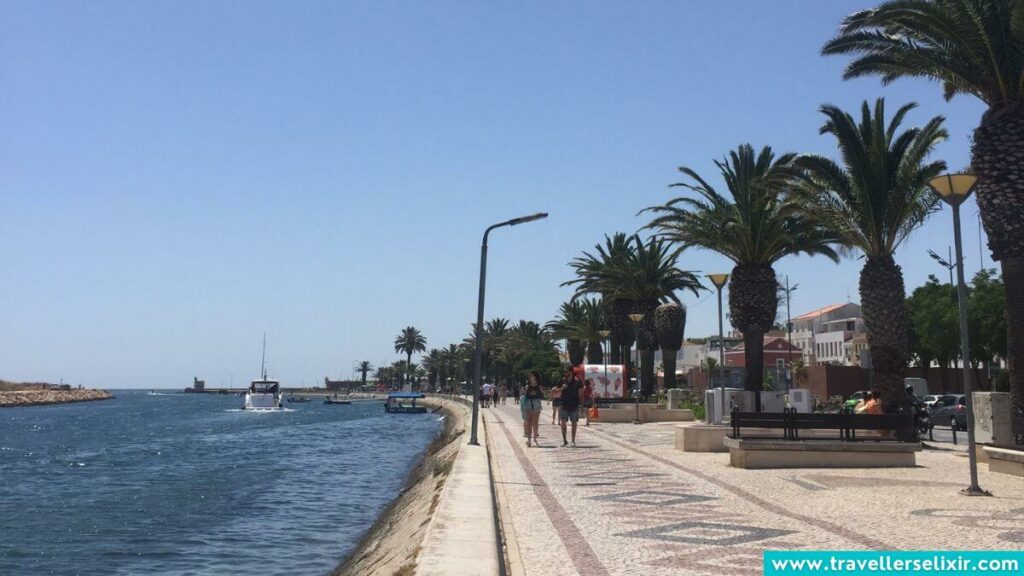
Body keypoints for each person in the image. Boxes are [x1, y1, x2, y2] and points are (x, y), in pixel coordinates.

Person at [521, 371, 544, 447]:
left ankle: (535, 439)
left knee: (535, 422)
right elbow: (525, 396)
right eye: (529, 376)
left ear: (535, 377)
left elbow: (542, 395)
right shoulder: (528, 386)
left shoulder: (539, 386)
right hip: (529, 403)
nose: (530, 377)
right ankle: (529, 439)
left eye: (531, 375)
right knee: (529, 422)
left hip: (537, 402)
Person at [560, 372, 583, 446]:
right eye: (566, 374)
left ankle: (573, 440)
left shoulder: (577, 382)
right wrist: (562, 388)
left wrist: (581, 406)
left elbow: (580, 394)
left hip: (574, 405)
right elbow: (555, 391)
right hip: (564, 405)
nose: (567, 376)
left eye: (569, 374)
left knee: (574, 423)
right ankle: (564, 440)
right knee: (563, 422)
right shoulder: (562, 381)